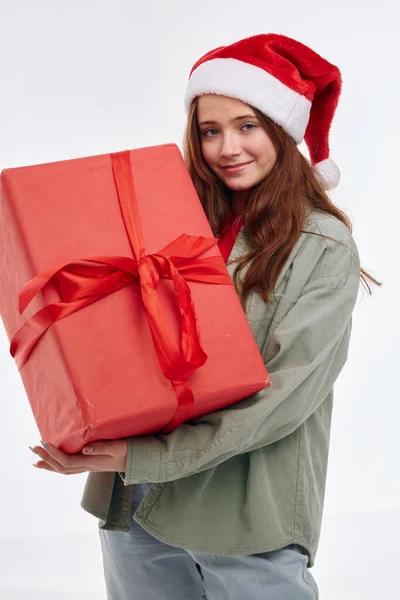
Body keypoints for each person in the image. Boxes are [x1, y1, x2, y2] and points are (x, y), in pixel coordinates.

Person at [30, 33, 381, 599]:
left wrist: (143, 454)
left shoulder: (322, 244)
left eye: (248, 125)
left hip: (240, 509)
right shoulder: (169, 220)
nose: (227, 148)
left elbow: (284, 398)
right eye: (209, 130)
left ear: (284, 131)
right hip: (136, 499)